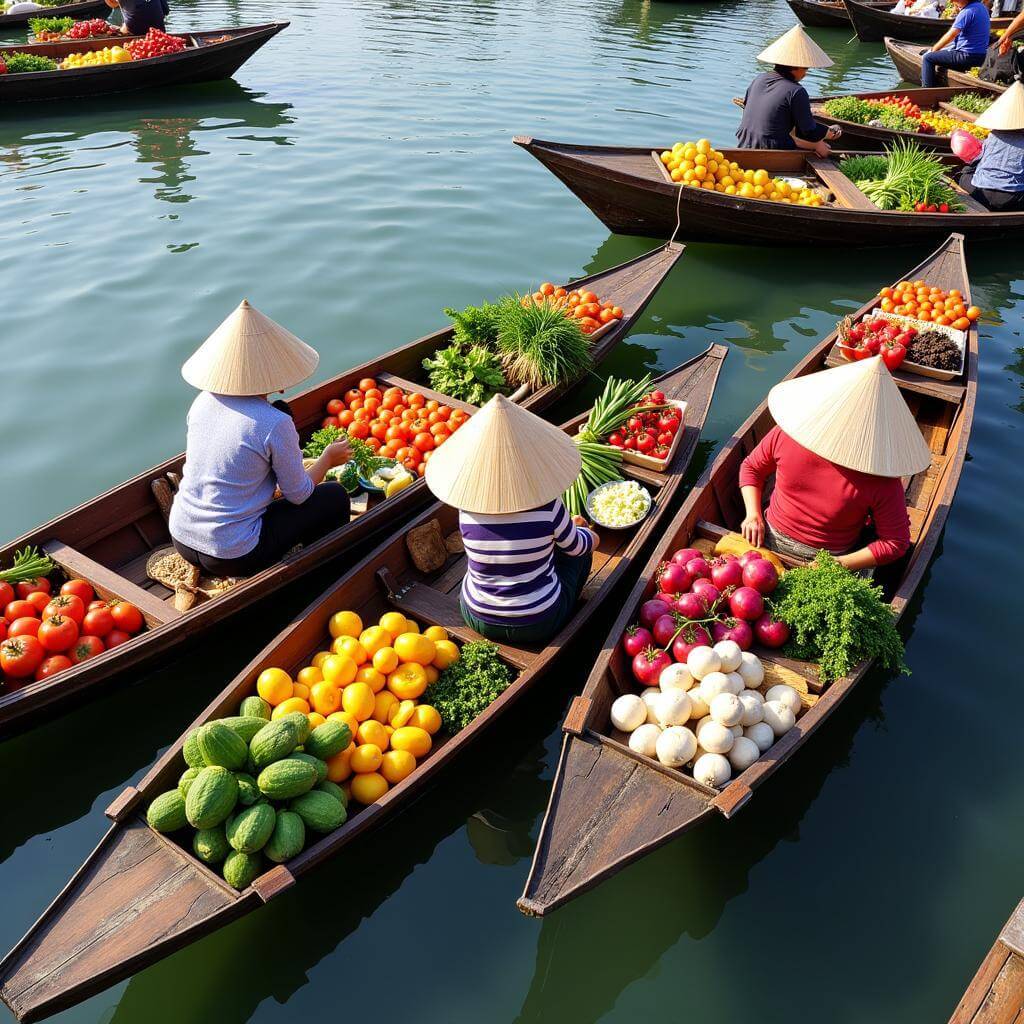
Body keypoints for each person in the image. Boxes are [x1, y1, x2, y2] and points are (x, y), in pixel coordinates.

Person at [169, 299, 352, 577]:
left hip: (181, 536)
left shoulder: (202, 401)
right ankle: (324, 573)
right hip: (234, 554)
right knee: (335, 497)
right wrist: (328, 459)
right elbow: (299, 496)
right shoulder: (274, 423)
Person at [423, 394, 597, 646]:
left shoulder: (467, 508)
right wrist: (588, 533)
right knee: (581, 552)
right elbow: (577, 547)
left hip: (476, 616)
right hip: (538, 622)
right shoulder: (548, 507)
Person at [738, 355, 931, 572]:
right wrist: (753, 515)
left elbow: (896, 543)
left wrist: (837, 565)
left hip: (830, 561)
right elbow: (751, 468)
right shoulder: (787, 436)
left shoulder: (788, 434)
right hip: (769, 538)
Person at [736, 25, 842, 155]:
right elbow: (809, 131)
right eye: (805, 68)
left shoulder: (759, 79)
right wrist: (831, 132)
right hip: (771, 152)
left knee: (816, 143)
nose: (805, 74)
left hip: (744, 145)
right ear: (795, 67)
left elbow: (772, 128)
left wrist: (817, 143)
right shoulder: (796, 91)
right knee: (822, 145)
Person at [958, 81, 1024, 209]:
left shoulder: (993, 135)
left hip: (980, 192)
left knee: (963, 176)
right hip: (1011, 199)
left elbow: (977, 161)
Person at [921, 0, 991, 86]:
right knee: (940, 58)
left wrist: (933, 50)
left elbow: (951, 35)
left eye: (955, 1)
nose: (954, 3)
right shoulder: (982, 7)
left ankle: (927, 89)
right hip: (981, 57)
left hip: (967, 57)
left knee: (928, 58)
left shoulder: (967, 11)